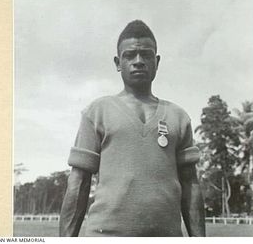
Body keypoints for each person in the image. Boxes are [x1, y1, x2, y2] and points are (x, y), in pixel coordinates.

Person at [59, 20, 206, 237]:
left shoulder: (178, 116)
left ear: (156, 62)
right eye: (130, 55)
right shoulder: (98, 111)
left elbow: (190, 185)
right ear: (118, 63)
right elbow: (79, 182)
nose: (138, 61)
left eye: (146, 55)